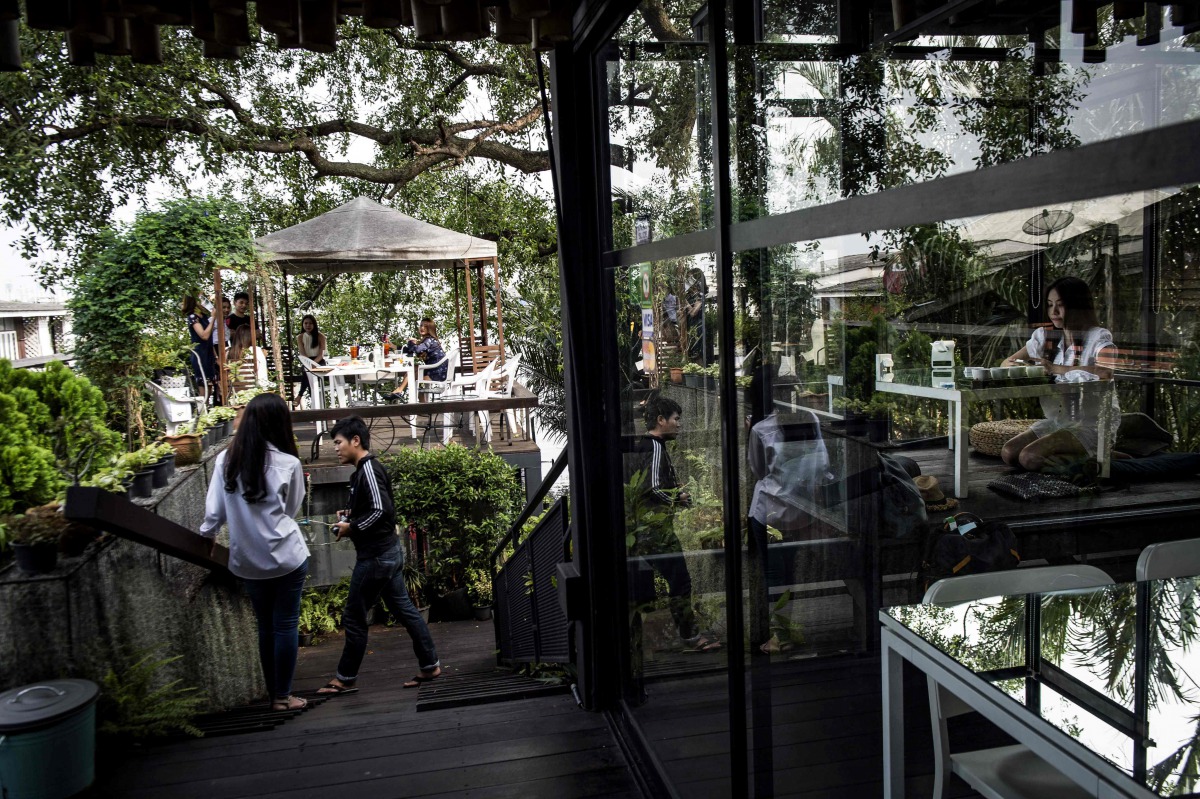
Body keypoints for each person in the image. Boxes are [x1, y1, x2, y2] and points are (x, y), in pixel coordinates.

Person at [197, 393, 309, 712]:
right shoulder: (288, 464)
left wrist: (204, 538)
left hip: (247, 561)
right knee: (286, 624)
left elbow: (214, 514)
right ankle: (283, 698)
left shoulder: (225, 461)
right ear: (280, 424)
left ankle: (275, 694)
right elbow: (291, 509)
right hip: (286, 557)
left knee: (266, 626)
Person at [318, 416, 440, 695]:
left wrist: (353, 527)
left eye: (338, 442)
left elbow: (381, 511)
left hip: (377, 557)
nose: (334, 448)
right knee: (404, 610)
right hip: (386, 554)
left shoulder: (369, 469)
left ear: (356, 441)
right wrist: (349, 516)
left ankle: (345, 678)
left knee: (353, 616)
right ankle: (430, 665)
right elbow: (372, 508)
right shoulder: (361, 473)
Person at [624, 394, 719, 652]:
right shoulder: (655, 446)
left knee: (663, 585)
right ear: (660, 420)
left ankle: (658, 638)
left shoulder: (643, 445)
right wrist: (678, 497)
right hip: (655, 530)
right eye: (676, 419)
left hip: (643, 528)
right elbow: (653, 488)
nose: (679, 424)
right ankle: (689, 636)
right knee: (680, 581)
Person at [999, 276, 1121, 472]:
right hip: (1058, 421)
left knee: (1029, 458)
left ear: (1077, 306)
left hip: (1090, 425)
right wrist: (1026, 369)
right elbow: (1007, 362)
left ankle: (1100, 455)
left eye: (1061, 305)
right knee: (1009, 452)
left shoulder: (1098, 336)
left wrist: (1056, 369)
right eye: (1049, 305)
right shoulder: (1046, 337)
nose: (1053, 312)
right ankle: (1096, 457)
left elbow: (1105, 372)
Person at [386, 318, 447, 401]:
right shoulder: (426, 341)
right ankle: (422, 409)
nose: (422, 328)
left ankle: (399, 390)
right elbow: (409, 350)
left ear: (430, 329)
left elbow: (417, 349)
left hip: (438, 372)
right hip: (435, 370)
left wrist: (411, 342)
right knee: (414, 375)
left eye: (425, 326)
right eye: (421, 325)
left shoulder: (429, 340)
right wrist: (393, 346)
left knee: (413, 370)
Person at [183, 295, 218, 401]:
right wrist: (212, 319)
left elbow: (209, 340)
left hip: (209, 355)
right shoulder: (193, 317)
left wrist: (216, 356)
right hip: (200, 355)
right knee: (204, 388)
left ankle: (207, 411)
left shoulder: (204, 316)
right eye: (200, 298)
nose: (203, 300)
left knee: (210, 386)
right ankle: (202, 413)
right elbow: (204, 335)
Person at [293, 313, 327, 408]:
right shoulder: (300, 337)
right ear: (303, 324)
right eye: (306, 323)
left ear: (314, 325)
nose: (308, 325)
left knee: (309, 372)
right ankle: (315, 405)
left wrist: (313, 364)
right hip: (307, 361)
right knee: (308, 372)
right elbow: (302, 354)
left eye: (310, 323)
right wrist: (309, 364)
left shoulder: (321, 336)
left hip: (319, 361)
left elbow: (321, 354)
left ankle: (300, 395)